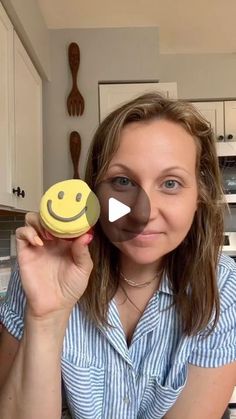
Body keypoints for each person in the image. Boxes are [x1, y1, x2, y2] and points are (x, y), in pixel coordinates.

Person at [0, 93, 235, 419]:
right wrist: (46, 319)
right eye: (122, 181)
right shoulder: (43, 269)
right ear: (95, 191)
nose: (142, 213)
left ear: (199, 194)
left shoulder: (223, 288)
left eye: (170, 183)